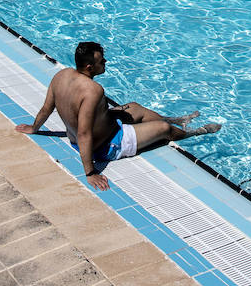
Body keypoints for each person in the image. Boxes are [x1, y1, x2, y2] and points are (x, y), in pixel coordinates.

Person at [15, 42, 220, 190]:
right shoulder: (93, 90)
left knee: (135, 107)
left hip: (105, 126)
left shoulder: (62, 75)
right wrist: (90, 172)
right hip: (107, 144)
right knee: (164, 131)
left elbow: (46, 108)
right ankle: (194, 132)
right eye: (101, 61)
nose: (105, 62)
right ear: (89, 67)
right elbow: (85, 133)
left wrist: (34, 128)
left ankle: (176, 120)